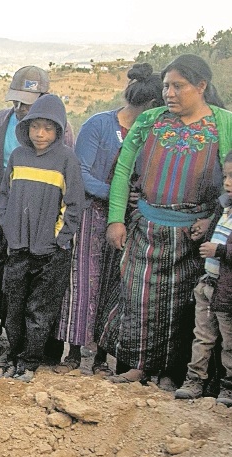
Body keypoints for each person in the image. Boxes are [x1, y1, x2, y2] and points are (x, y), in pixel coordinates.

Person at [104, 54, 232, 388]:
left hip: (193, 235)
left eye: (178, 85)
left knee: (183, 307)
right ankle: (136, 367)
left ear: (201, 86)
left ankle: (174, 374)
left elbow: (230, 184)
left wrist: (211, 221)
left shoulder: (224, 124)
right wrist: (116, 219)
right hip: (146, 227)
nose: (169, 93)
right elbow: (122, 171)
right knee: (138, 299)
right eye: (165, 86)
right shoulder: (149, 120)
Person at [0, 66, 75, 381]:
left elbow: (67, 189)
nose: (21, 108)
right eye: (17, 101)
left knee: (27, 298)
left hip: (39, 233)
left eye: (29, 102)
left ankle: (24, 356)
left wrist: (57, 237)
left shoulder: (60, 133)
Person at [58, 63, 162, 376]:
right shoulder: (99, 125)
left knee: (115, 286)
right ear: (151, 105)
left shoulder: (153, 134)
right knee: (83, 283)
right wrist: (114, 194)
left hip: (131, 220)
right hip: (92, 215)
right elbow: (80, 172)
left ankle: (103, 357)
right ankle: (74, 352)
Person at [0, 94, 84, 382]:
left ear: (58, 130)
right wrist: (11, 231)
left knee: (39, 310)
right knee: (14, 307)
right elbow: (5, 198)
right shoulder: (18, 156)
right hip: (18, 248)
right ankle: (13, 354)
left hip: (50, 252)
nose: (40, 134)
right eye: (35, 127)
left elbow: (74, 205)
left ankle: (30, 362)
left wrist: (59, 240)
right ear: (27, 127)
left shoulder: (67, 159)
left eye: (48, 128)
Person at [175, 152, 232, 403]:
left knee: (229, 341)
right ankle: (195, 380)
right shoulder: (224, 207)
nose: (228, 182)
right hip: (208, 283)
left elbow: (220, 247)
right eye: (227, 175)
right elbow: (212, 234)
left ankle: (227, 386)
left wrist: (219, 251)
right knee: (203, 336)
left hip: (227, 290)